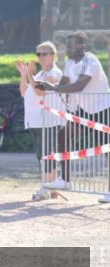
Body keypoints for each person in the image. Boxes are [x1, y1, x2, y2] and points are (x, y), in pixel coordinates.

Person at [35, 32, 110, 195]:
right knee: (63, 136)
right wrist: (47, 85)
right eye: (66, 45)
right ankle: (65, 180)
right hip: (83, 110)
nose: (67, 48)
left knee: (106, 148)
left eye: (71, 45)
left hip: (102, 110)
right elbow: (64, 83)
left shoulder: (91, 61)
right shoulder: (69, 63)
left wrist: (53, 88)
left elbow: (78, 86)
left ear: (82, 46)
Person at [17, 42, 68, 199]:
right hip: (35, 120)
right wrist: (24, 75)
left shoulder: (56, 73)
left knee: (46, 154)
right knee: (43, 154)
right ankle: (51, 187)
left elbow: (40, 91)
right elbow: (24, 91)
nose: (40, 58)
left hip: (50, 120)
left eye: (43, 54)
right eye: (38, 54)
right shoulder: (39, 75)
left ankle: (46, 187)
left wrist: (29, 74)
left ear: (52, 56)